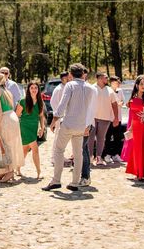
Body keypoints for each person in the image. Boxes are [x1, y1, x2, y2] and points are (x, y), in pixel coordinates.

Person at [42, 64, 95, 192]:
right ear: (83, 73)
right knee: (78, 154)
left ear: (71, 74)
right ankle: (75, 182)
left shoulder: (70, 85)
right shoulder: (90, 88)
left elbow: (62, 105)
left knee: (59, 150)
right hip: (82, 126)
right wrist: (88, 124)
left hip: (69, 123)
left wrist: (54, 120)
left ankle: (56, 180)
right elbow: (92, 109)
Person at [80, 72, 119, 186]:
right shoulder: (92, 88)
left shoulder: (110, 90)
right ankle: (90, 156)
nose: (107, 79)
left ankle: (99, 157)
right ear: (99, 78)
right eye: (105, 77)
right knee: (90, 138)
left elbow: (115, 104)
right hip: (92, 117)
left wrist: (116, 117)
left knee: (101, 138)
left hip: (105, 117)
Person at [0, 72, 24, 183]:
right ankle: (5, 171)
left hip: (5, 119)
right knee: (11, 145)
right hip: (12, 117)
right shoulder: (7, 91)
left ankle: (9, 172)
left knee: (6, 146)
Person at [15, 82, 46, 179]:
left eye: (35, 88)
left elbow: (41, 116)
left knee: (24, 150)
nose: (34, 89)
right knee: (35, 149)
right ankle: (39, 172)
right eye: (31, 87)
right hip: (24, 127)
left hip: (33, 128)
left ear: (38, 89)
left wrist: (42, 127)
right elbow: (16, 115)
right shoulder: (23, 101)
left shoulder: (40, 101)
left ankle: (18, 168)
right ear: (28, 89)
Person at [103, 76, 125, 163]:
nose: (118, 83)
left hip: (118, 117)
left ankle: (116, 154)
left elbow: (123, 100)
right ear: (111, 82)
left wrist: (120, 103)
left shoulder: (120, 91)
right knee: (108, 137)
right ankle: (107, 155)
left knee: (118, 137)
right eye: (116, 82)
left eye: (118, 82)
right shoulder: (108, 91)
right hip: (109, 118)